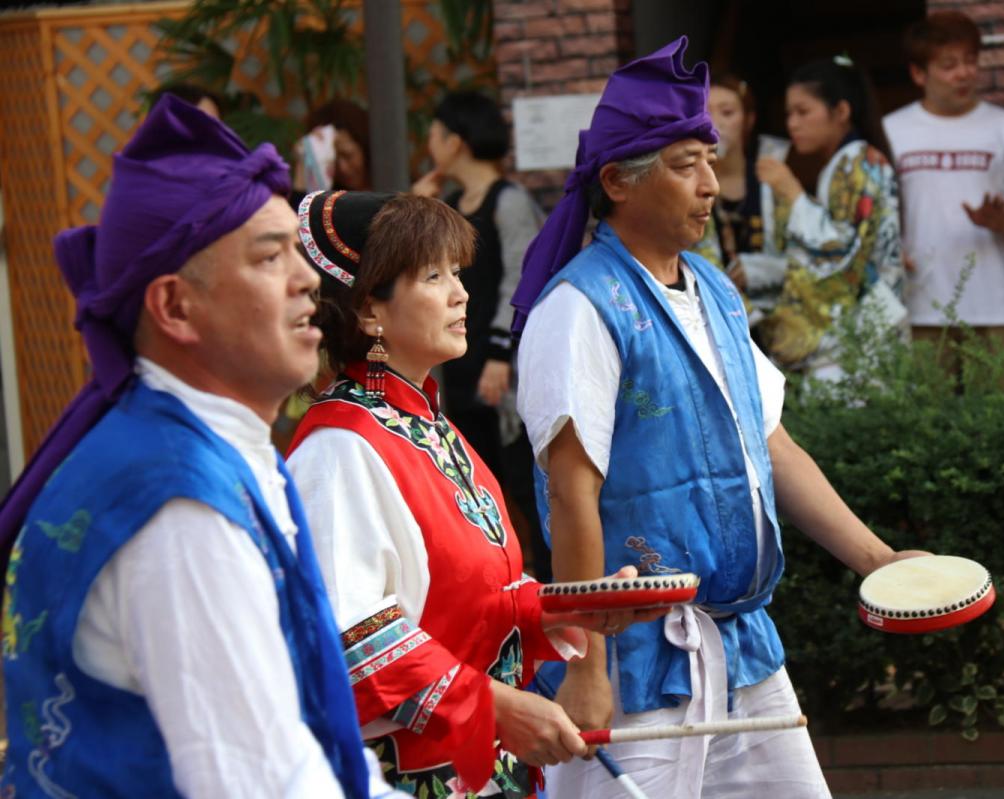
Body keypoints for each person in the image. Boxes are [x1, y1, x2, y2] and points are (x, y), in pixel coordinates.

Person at [511, 37, 924, 799]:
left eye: (710, 158)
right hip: (634, 659)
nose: (709, 184)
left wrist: (879, 559)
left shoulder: (714, 288)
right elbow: (571, 493)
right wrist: (587, 668)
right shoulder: (579, 307)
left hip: (742, 643)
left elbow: (773, 445)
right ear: (617, 182)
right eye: (684, 164)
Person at [0, 97, 400, 797]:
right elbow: (261, 782)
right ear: (175, 306)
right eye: (269, 256)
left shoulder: (203, 449)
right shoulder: (178, 506)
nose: (307, 278)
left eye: (297, 252)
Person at [286, 191, 663, 797]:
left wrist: (570, 607)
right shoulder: (340, 448)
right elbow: (346, 634)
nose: (461, 293)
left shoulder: (430, 427)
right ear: (367, 313)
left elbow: (476, 596)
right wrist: (496, 706)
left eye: (456, 273)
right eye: (433, 276)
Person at [411, 91, 549, 576]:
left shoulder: (507, 201)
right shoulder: (447, 203)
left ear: (456, 141)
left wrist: (497, 355)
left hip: (501, 371)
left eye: (433, 134)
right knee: (477, 485)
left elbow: (521, 279)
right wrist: (417, 206)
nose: (429, 143)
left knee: (523, 483)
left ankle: (553, 584)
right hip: (459, 372)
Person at [884, 12, 1004, 375]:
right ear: (918, 74)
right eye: (949, 65)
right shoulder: (893, 131)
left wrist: (1000, 220)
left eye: (971, 61)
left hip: (995, 307)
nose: (964, 73)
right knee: (926, 422)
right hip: (920, 306)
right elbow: (882, 215)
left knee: (1001, 420)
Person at [755, 56, 908, 381]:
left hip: (861, 335)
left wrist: (791, 191)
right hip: (861, 329)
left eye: (803, 111)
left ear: (841, 111)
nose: (792, 123)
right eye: (788, 114)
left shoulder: (857, 162)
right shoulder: (851, 161)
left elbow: (841, 248)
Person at [692, 75, 786, 328]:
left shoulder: (773, 179)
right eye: (704, 112)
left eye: (727, 112)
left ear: (749, 119)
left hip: (782, 322)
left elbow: (809, 259)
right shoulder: (687, 185)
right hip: (718, 323)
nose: (714, 122)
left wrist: (759, 270)